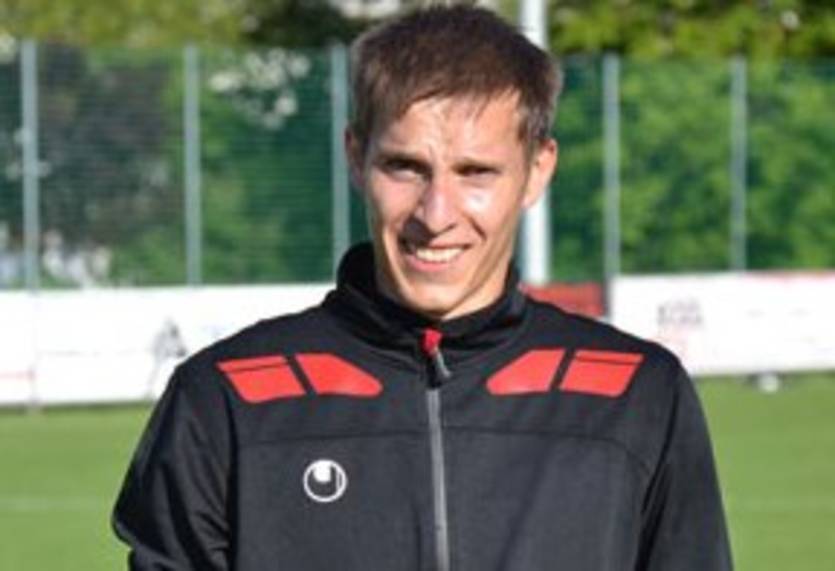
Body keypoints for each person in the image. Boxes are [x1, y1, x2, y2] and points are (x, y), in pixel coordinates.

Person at [113, 5, 733, 570]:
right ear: (356, 157)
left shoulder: (636, 395)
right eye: (405, 167)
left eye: (476, 172)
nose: (436, 214)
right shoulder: (225, 398)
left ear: (537, 170)